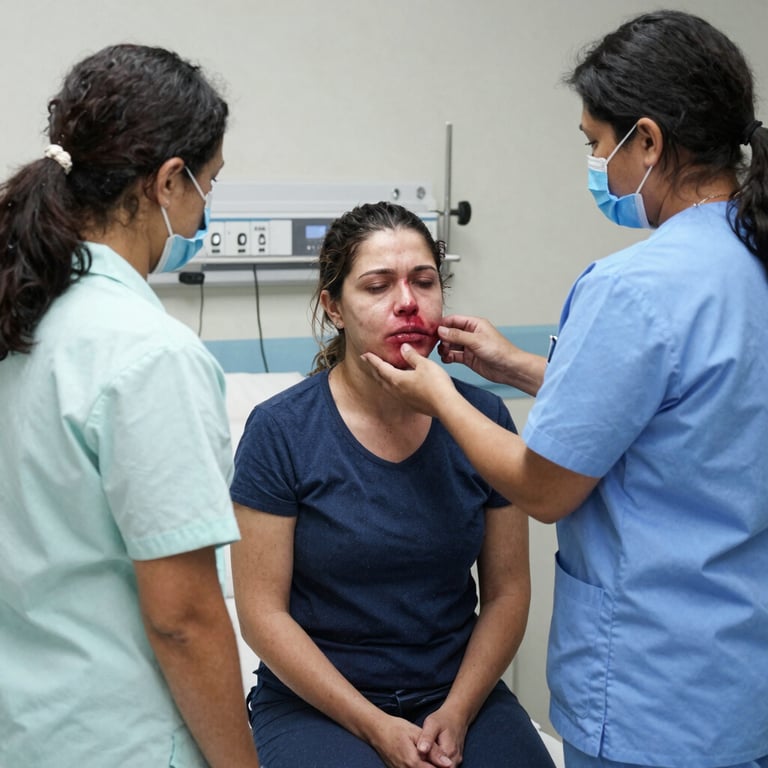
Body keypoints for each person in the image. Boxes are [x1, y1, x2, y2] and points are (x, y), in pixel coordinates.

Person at [361, 10, 768, 768]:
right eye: (378, 284)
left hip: (657, 692)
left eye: (595, 143)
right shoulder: (748, 256)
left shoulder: (634, 288)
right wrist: (518, 367)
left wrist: (442, 398)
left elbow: (544, 490)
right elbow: (692, 409)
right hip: (738, 678)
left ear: (646, 140)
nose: (596, 165)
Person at [0, 45, 260, 768]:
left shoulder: (20, 318)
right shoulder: (149, 355)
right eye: (208, 185)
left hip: (27, 729)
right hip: (123, 740)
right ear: (169, 181)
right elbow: (184, 619)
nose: (206, 208)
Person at [229, 201, 556, 768]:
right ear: (333, 306)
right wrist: (377, 726)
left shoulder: (482, 423)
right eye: (377, 286)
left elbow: (507, 592)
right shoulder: (280, 431)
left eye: (423, 282)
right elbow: (262, 614)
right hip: (319, 703)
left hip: (456, 692)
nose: (407, 301)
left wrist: (457, 712)